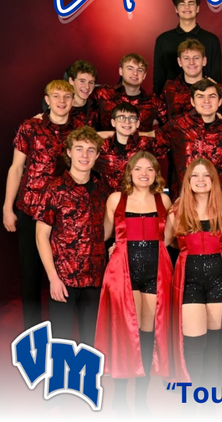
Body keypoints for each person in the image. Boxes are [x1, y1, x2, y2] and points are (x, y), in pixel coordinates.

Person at [95, 151, 173, 415]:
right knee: (123, 331)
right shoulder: (116, 199)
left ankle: (141, 397)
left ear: (155, 174)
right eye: (138, 169)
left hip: (156, 269)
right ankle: (118, 397)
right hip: (122, 270)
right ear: (129, 172)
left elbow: (170, 238)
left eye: (149, 169)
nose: (144, 173)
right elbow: (105, 233)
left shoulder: (163, 199)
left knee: (147, 331)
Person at [166, 159, 222, 387]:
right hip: (189, 281)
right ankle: (193, 396)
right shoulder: (177, 209)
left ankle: (210, 394)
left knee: (214, 342)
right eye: (195, 176)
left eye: (206, 175)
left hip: (220, 280)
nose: (200, 180)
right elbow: (164, 243)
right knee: (193, 342)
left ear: (213, 180)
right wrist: (119, 245)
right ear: (188, 181)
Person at [4, 80, 76, 329]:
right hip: (30, 208)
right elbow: (16, 168)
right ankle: (32, 333)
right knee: (31, 273)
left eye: (67, 97)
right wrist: (7, 207)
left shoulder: (79, 129)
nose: (61, 101)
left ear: (73, 100)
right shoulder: (30, 127)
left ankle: (63, 330)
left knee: (63, 271)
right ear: (47, 99)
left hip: (64, 213)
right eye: (56, 96)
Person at [35, 127, 108, 344]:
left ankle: (90, 380)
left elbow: (106, 228)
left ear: (97, 155)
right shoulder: (54, 189)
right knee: (61, 343)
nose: (84, 155)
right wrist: (53, 278)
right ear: (68, 152)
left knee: (91, 343)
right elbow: (41, 237)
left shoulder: (102, 188)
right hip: (63, 279)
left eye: (90, 150)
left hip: (94, 279)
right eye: (79, 149)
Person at [151, 79, 222, 196]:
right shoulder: (178, 125)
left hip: (220, 198)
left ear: (220, 101)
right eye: (200, 96)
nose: (206, 101)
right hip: (184, 197)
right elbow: (151, 140)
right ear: (192, 101)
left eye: (212, 96)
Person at [153, 0, 222, 94]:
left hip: (204, 99)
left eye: (191, 3)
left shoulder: (211, 40)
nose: (186, 7)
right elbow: (159, 79)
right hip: (172, 100)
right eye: (182, 4)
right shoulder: (163, 40)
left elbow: (216, 78)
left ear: (198, 8)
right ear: (176, 9)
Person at [95, 103, 162, 192]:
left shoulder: (147, 144)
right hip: (108, 200)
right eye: (121, 118)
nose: (127, 122)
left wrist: (145, 134)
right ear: (113, 122)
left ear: (137, 123)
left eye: (131, 118)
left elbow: (169, 134)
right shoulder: (102, 146)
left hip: (139, 199)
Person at [94, 54, 168, 130]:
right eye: (130, 68)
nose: (135, 73)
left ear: (144, 75)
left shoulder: (154, 102)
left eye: (140, 70)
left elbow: (169, 126)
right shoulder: (102, 93)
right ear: (121, 71)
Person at [162, 39, 222, 119]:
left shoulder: (220, 90)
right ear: (179, 62)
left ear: (204, 61)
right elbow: (162, 118)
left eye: (196, 58)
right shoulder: (169, 88)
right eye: (186, 58)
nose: (191, 62)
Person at [67, 60, 100, 128]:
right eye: (82, 81)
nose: (87, 87)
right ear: (71, 81)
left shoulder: (96, 106)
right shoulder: (63, 109)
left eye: (91, 82)